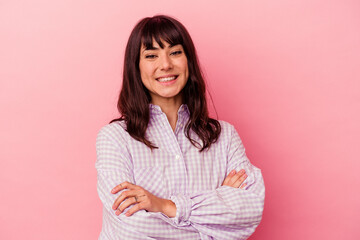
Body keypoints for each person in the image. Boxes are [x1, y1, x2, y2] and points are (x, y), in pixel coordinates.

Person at [95, 15, 265, 240]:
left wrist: (165, 206)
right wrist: (217, 218)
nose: (165, 64)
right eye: (151, 55)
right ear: (135, 67)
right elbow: (131, 228)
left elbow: (249, 209)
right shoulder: (115, 139)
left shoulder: (224, 137)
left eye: (175, 52)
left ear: (189, 61)